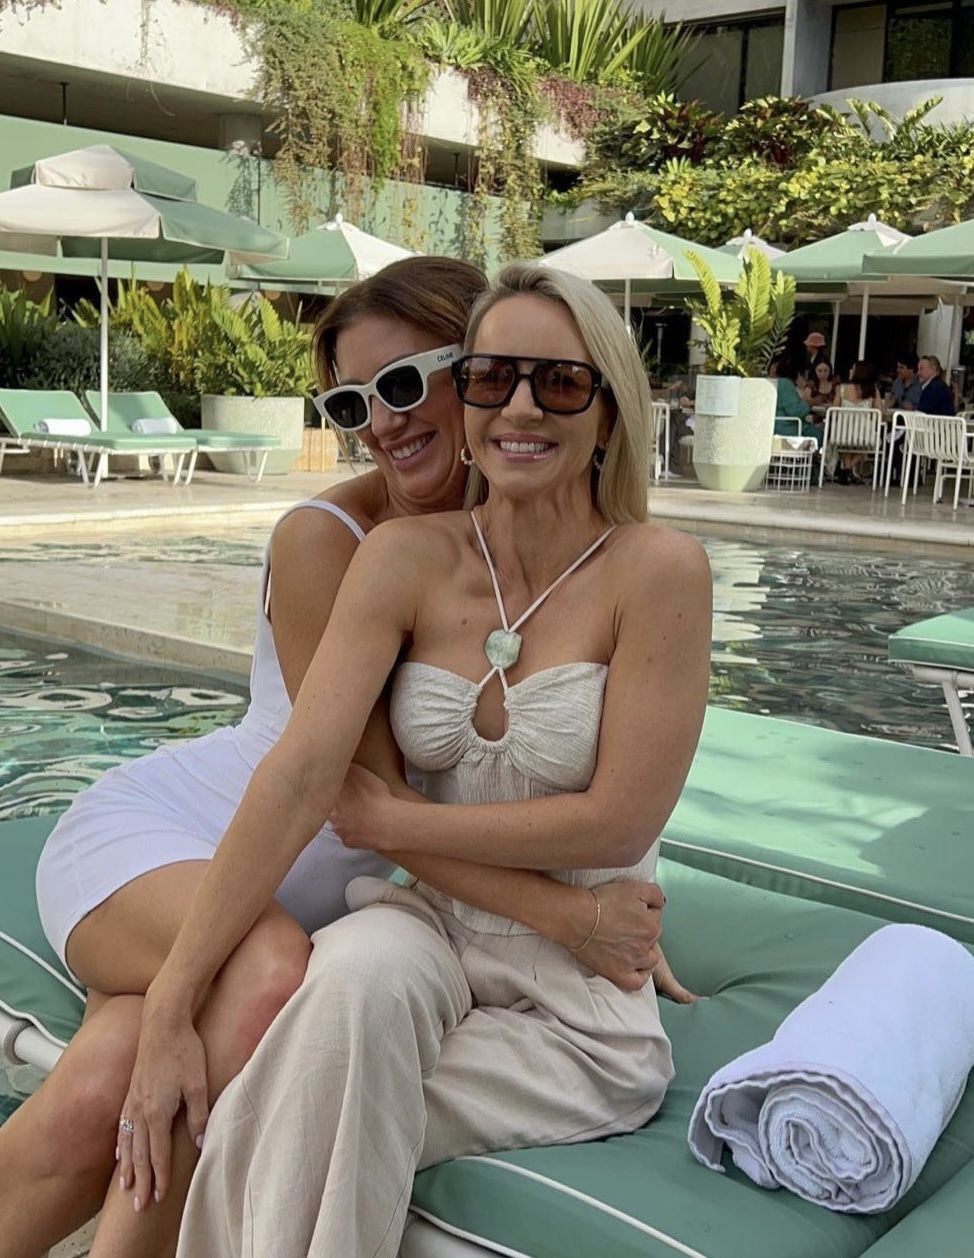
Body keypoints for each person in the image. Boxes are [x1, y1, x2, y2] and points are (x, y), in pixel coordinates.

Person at [8, 258, 678, 1258]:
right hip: (183, 842)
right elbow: (354, 798)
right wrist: (568, 916)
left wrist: (610, 889)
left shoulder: (596, 560)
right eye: (352, 402)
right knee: (257, 983)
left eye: (404, 383)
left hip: (311, 895)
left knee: (100, 1084)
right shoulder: (336, 541)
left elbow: (555, 784)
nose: (382, 421)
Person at [834, 360, 882, 484]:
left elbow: (834, 410)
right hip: (865, 436)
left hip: (841, 434)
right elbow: (879, 413)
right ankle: (850, 469)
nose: (850, 371)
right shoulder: (873, 391)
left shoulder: (842, 389)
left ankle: (846, 468)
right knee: (865, 443)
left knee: (844, 442)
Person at [772, 354, 820, 440]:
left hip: (775, 426)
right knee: (821, 435)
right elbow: (795, 411)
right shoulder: (785, 384)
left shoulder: (773, 383)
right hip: (789, 428)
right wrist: (808, 402)